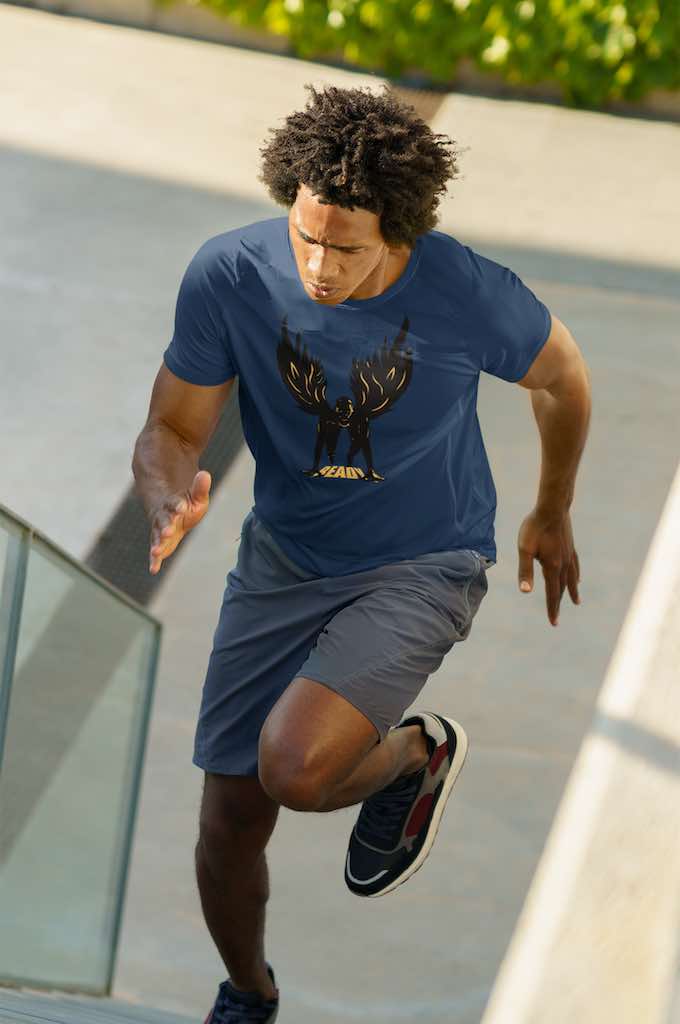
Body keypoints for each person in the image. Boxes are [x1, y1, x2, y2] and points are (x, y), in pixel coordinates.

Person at [131, 83, 590, 1024]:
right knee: (228, 824)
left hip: (424, 560)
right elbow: (174, 425)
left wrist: (550, 509)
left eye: (346, 247)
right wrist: (167, 491)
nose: (319, 266)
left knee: (292, 769)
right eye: (306, 235)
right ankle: (249, 994)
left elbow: (563, 380)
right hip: (284, 558)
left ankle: (414, 755)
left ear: (401, 234)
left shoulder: (463, 290)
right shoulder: (230, 275)